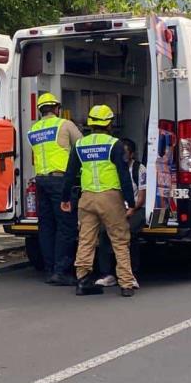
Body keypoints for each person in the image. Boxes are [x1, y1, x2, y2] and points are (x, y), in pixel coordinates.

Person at [60, 105, 137, 297]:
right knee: (119, 239)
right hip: (110, 197)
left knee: (86, 239)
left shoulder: (80, 145)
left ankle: (83, 281)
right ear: (109, 124)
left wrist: (65, 198)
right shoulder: (115, 144)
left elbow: (70, 175)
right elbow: (123, 174)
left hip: (87, 198)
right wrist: (130, 201)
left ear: (91, 123)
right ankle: (126, 284)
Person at [27, 93, 82, 285]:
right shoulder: (64, 124)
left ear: (40, 110)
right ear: (57, 108)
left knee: (46, 227)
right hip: (60, 181)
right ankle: (62, 271)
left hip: (41, 181)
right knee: (66, 226)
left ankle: (50, 270)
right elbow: (81, 145)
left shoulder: (33, 130)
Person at [95, 137, 146, 288]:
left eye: (124, 153)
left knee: (128, 233)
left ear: (131, 154)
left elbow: (141, 197)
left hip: (136, 209)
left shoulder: (139, 169)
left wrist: (131, 209)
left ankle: (131, 274)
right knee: (104, 232)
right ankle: (107, 274)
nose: (121, 156)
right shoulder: (112, 168)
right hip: (117, 208)